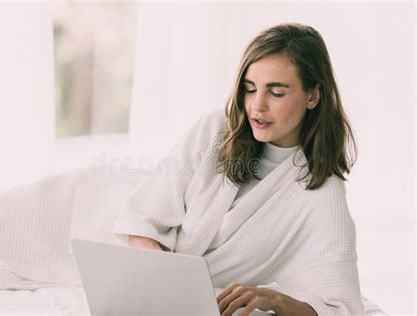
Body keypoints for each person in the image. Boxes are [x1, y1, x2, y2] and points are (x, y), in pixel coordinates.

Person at [112, 23, 365, 315]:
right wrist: (163, 282)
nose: (257, 105)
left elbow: (339, 306)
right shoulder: (214, 131)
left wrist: (276, 299)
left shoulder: (321, 192)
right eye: (249, 89)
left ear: (313, 96)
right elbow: (141, 221)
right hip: (154, 290)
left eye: (277, 92)